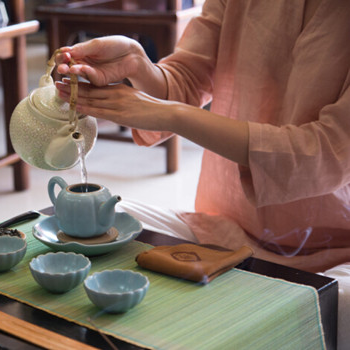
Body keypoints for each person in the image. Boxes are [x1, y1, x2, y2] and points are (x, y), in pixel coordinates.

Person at [54, 0, 350, 348]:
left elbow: (328, 152)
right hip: (224, 231)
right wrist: (136, 63)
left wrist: (172, 114)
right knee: (92, 233)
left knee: (336, 303)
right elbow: (186, 79)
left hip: (340, 252)